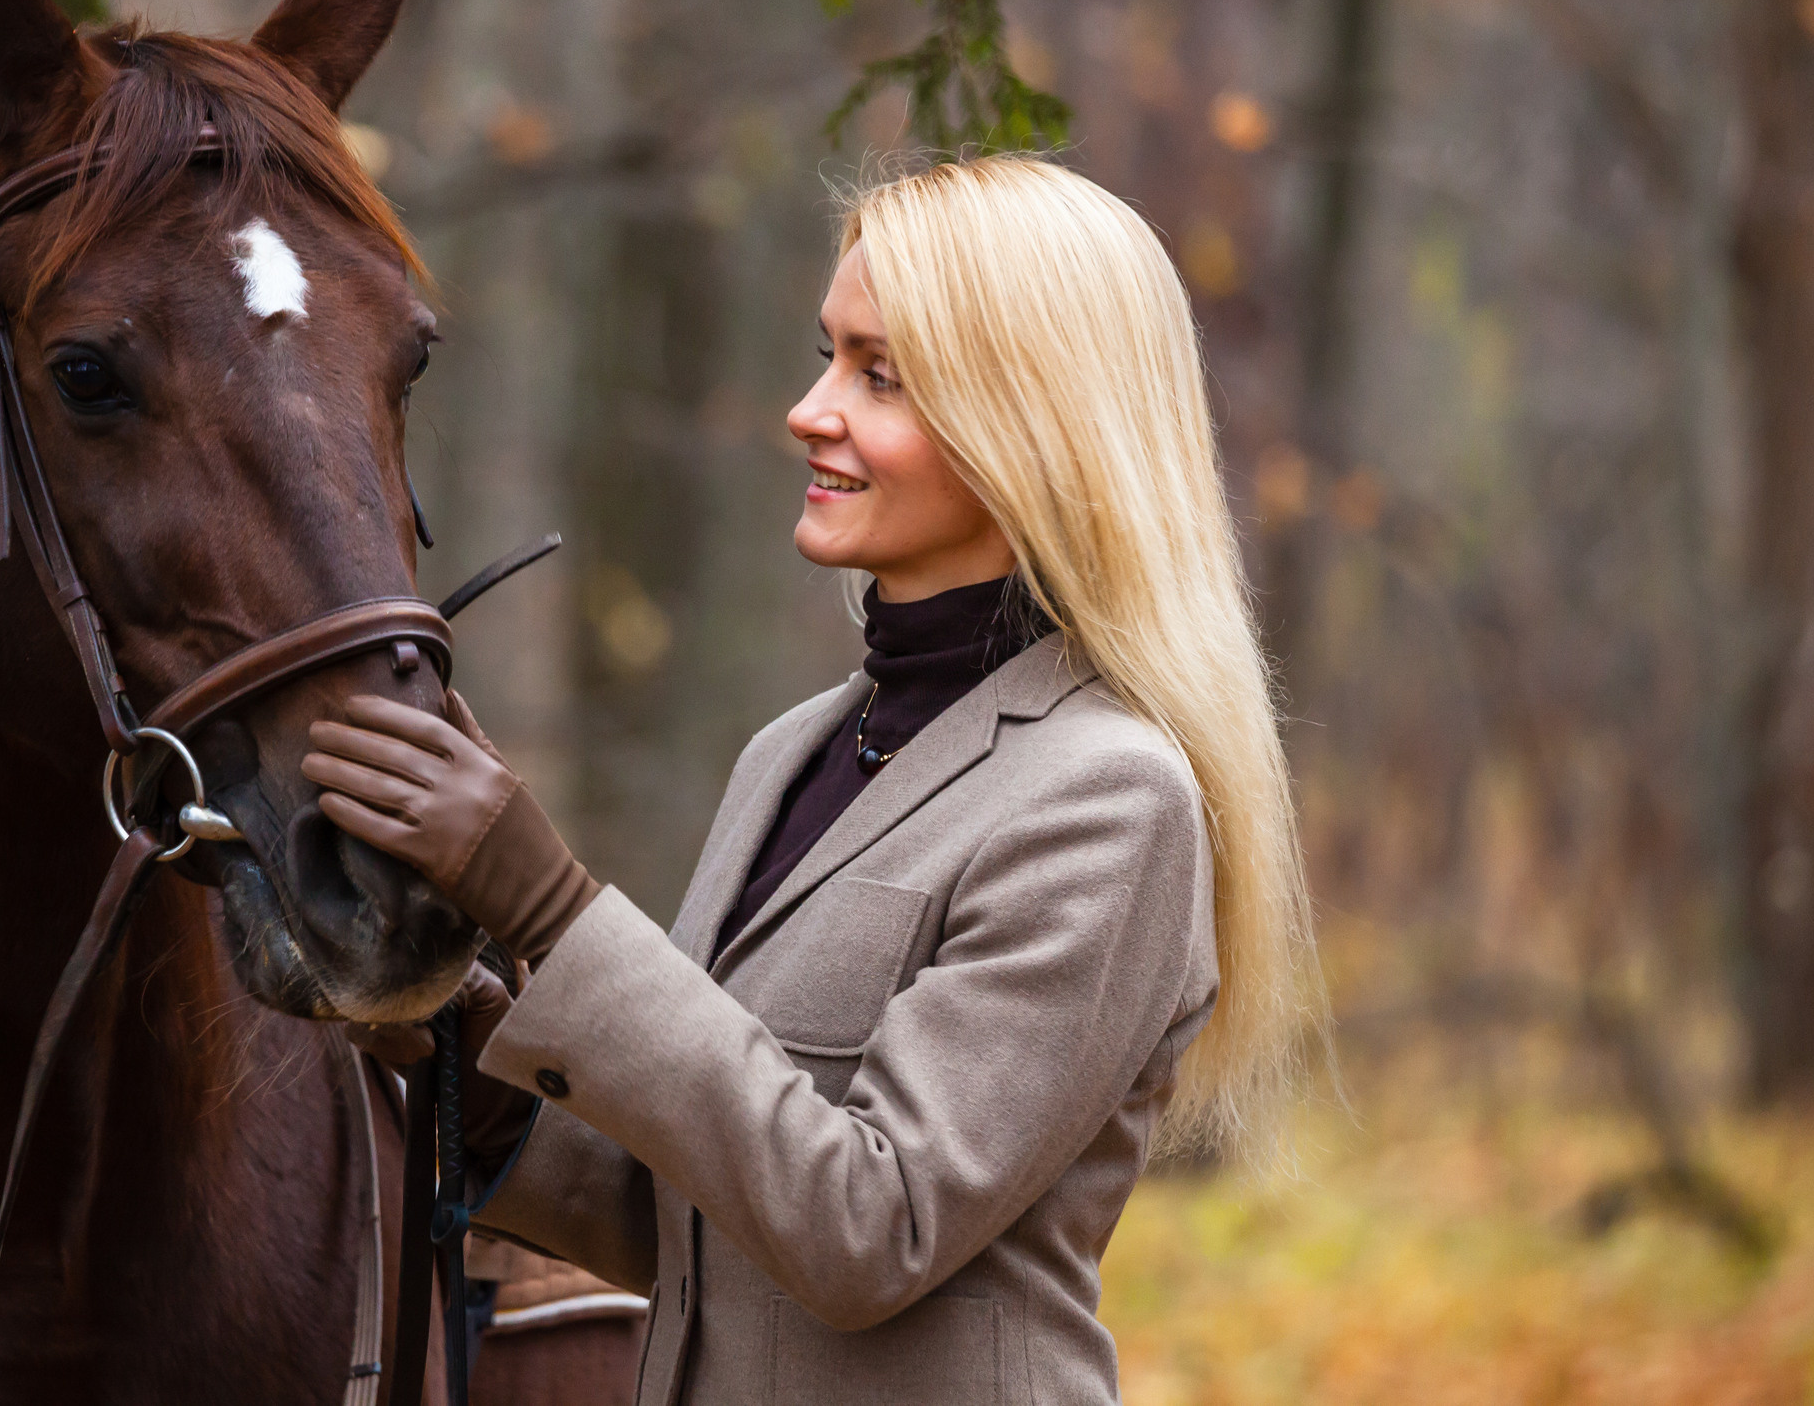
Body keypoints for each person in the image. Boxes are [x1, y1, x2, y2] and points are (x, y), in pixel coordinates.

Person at [305, 155, 1323, 1405]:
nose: (809, 407)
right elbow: (702, 1217)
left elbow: (865, 1228)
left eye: (877, 374)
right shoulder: (795, 750)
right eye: (828, 353)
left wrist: (548, 904)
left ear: (1033, 425)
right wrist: (449, 1032)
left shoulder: (1106, 800)